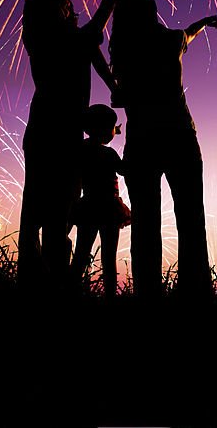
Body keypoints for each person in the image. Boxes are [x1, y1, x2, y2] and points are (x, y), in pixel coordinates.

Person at [18, 0, 144, 288]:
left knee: (55, 208)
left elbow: (90, 47)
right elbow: (93, 31)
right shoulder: (46, 17)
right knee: (49, 209)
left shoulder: (53, 14)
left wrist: (113, 85)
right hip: (53, 125)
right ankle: (47, 282)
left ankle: (50, 280)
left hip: (58, 124)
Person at [108, 0, 217, 297]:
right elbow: (189, 34)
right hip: (180, 135)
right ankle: (195, 293)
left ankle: (148, 294)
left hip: (142, 140)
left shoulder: (123, 53)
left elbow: (123, 96)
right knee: (191, 219)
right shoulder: (171, 41)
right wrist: (204, 22)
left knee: (144, 224)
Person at [70, 104, 132, 298]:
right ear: (106, 130)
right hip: (109, 208)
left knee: (81, 252)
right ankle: (110, 295)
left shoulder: (81, 149)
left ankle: (70, 290)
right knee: (109, 256)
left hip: (88, 205)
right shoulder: (109, 153)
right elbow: (123, 169)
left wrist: (115, 130)